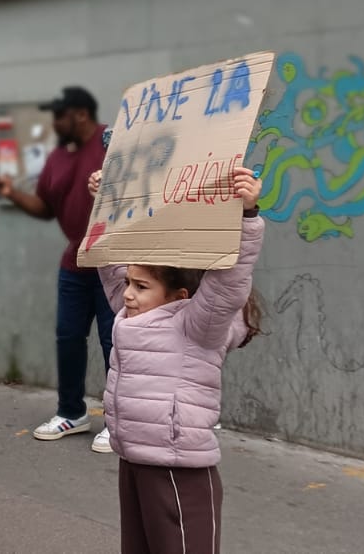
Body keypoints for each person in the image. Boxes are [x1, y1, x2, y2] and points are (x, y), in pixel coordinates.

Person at [89, 167, 264, 554]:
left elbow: (229, 283)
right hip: (134, 460)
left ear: (179, 295)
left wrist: (247, 215)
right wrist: (105, 202)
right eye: (129, 283)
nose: (128, 293)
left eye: (141, 286)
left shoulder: (197, 326)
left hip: (178, 468)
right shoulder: (130, 314)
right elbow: (111, 264)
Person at [0, 85, 116, 452]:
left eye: (59, 117)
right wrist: (11, 192)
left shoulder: (112, 142)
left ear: (80, 115)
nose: (54, 124)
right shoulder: (59, 156)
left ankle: (119, 422)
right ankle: (72, 413)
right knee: (68, 338)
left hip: (112, 264)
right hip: (74, 265)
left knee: (116, 344)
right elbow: (46, 207)